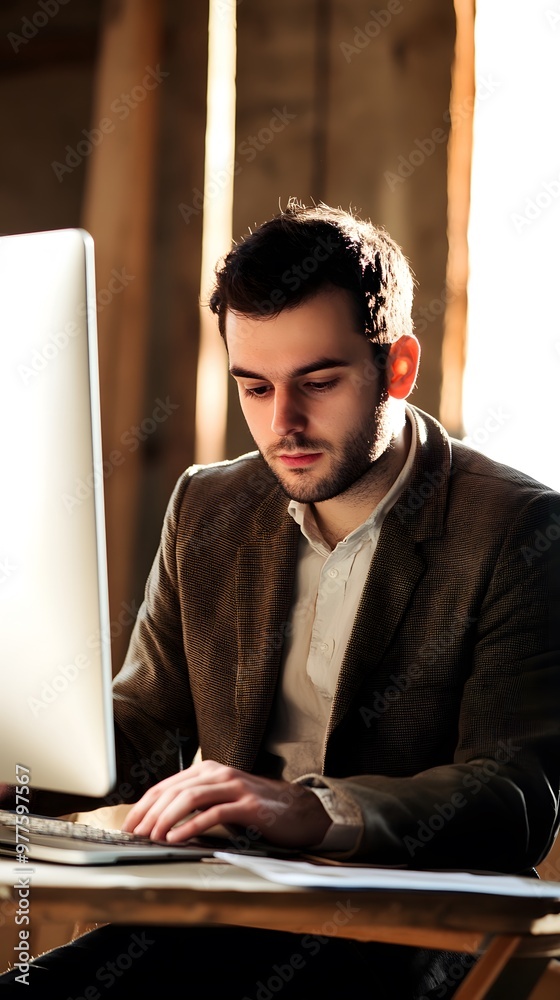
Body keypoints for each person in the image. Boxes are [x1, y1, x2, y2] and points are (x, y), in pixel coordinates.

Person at [1, 201, 559, 998]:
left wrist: (312, 810)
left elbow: (514, 794)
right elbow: (150, 727)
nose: (282, 425)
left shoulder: (517, 526)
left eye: (318, 382)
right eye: (254, 387)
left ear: (398, 368)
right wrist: (20, 766)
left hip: (394, 943)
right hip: (208, 916)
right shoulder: (209, 505)